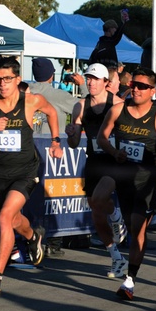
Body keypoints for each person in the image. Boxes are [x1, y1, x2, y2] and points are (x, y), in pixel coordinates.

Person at [0, 57, 65, 296]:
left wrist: (55, 142)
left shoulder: (31, 101)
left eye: (7, 79)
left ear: (17, 79)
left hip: (26, 171)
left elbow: (52, 113)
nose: (2, 84)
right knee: (12, 220)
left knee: (4, 217)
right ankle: (33, 236)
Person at [97, 67, 156, 301]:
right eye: (133, 84)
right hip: (122, 174)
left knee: (137, 230)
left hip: (147, 180)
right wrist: (114, 152)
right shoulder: (118, 110)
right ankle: (150, 210)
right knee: (97, 198)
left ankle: (130, 280)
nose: (135, 89)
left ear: (153, 91)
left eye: (142, 86)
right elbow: (101, 138)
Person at [65, 63, 129, 279]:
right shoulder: (80, 106)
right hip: (93, 160)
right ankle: (116, 257)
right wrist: (71, 133)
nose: (90, 82)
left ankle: (116, 214)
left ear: (106, 83)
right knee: (96, 210)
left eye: (95, 79)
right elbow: (74, 143)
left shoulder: (118, 104)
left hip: (114, 161)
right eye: (88, 78)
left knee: (101, 198)